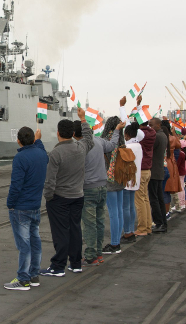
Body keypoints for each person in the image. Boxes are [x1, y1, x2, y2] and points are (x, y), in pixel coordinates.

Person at [40, 108, 94, 276]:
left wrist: (48, 197)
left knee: (60, 232)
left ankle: (58, 266)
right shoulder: (81, 147)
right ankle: (76, 263)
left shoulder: (56, 152)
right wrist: (83, 120)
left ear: (58, 133)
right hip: (78, 196)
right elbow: (89, 139)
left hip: (60, 198)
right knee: (75, 229)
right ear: (72, 133)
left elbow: (50, 180)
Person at [3, 127, 48, 291]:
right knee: (35, 241)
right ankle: (34, 275)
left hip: (21, 207)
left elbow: (16, 185)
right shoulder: (42, 155)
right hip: (35, 206)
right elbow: (41, 149)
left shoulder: (20, 158)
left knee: (24, 245)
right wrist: (39, 139)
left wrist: (10, 203)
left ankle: (23, 279)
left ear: (18, 140)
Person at [73, 116, 121, 264]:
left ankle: (91, 255)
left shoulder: (80, 146)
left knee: (89, 224)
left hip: (88, 189)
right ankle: (99, 254)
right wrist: (117, 131)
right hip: (102, 186)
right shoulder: (99, 141)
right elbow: (113, 144)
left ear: (74, 134)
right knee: (100, 221)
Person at [100, 116, 128, 256]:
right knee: (119, 211)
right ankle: (117, 241)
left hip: (109, 179)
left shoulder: (106, 140)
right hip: (120, 178)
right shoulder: (121, 140)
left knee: (112, 213)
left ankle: (115, 243)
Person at [134, 95, 156, 237]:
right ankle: (147, 226)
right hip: (147, 169)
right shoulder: (152, 132)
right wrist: (138, 105)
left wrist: (137, 106)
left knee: (140, 199)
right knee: (145, 198)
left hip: (140, 170)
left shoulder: (141, 134)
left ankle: (142, 228)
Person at [122, 121, 143, 244]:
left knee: (125, 207)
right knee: (131, 206)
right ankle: (130, 230)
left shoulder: (127, 147)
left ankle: (127, 232)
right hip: (136, 179)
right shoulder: (139, 146)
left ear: (127, 135)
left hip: (126, 180)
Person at [148, 118, 168, 233]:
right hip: (159, 170)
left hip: (154, 171)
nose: (150, 127)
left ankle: (159, 222)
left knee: (154, 198)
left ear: (158, 125)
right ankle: (162, 222)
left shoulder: (157, 137)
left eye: (151, 125)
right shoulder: (163, 135)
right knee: (159, 198)